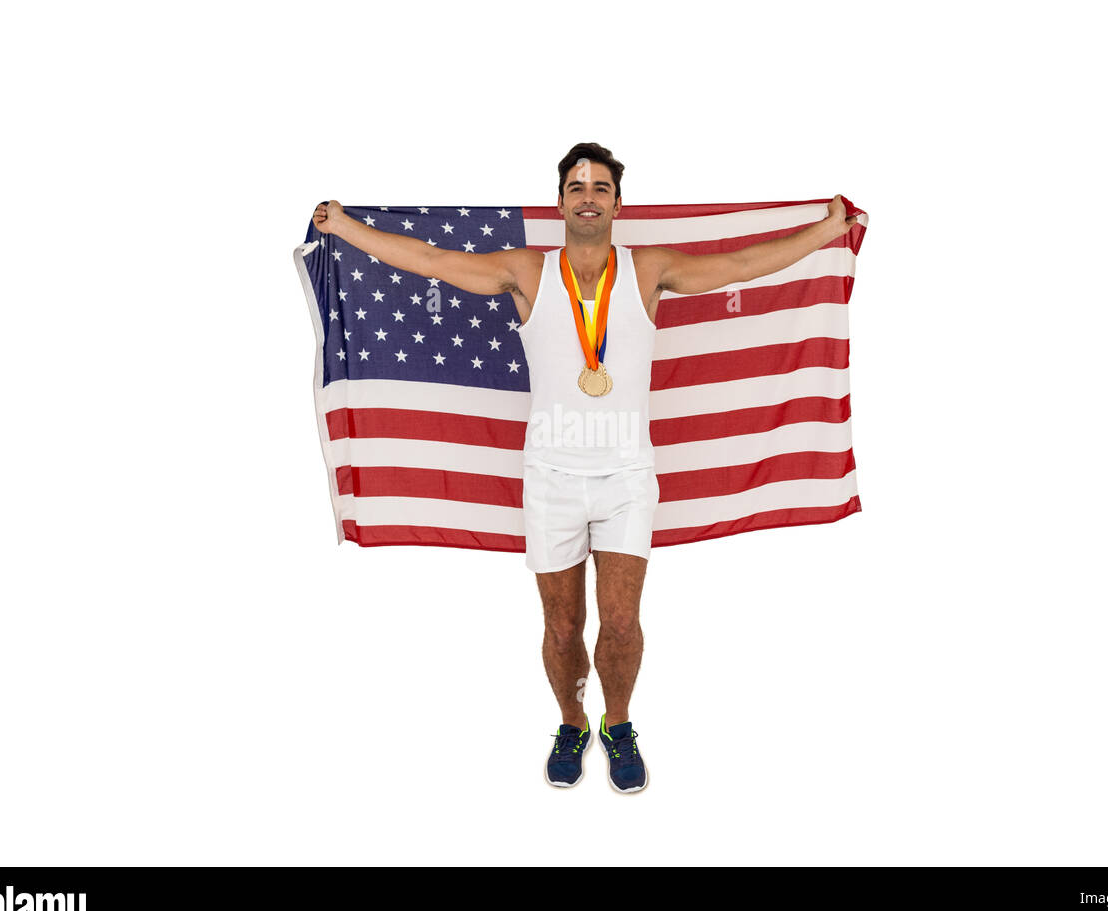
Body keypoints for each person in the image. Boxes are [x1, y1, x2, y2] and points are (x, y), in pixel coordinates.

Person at [312, 143, 857, 794]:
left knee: (621, 622)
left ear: (618, 202)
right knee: (563, 625)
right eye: (577, 186)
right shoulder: (528, 271)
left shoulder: (648, 269)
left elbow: (739, 263)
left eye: (601, 186)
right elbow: (432, 260)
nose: (589, 196)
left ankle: (618, 723)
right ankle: (572, 720)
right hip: (551, 478)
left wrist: (827, 230)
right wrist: (344, 226)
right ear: (562, 201)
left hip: (627, 477)